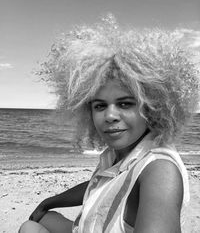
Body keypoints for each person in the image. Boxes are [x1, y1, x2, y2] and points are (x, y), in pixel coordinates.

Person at [19, 14, 199, 233]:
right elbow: (99, 184)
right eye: (100, 106)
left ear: (152, 107)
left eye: (124, 104)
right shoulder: (118, 153)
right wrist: (49, 201)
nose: (110, 116)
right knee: (38, 220)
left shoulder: (159, 170)